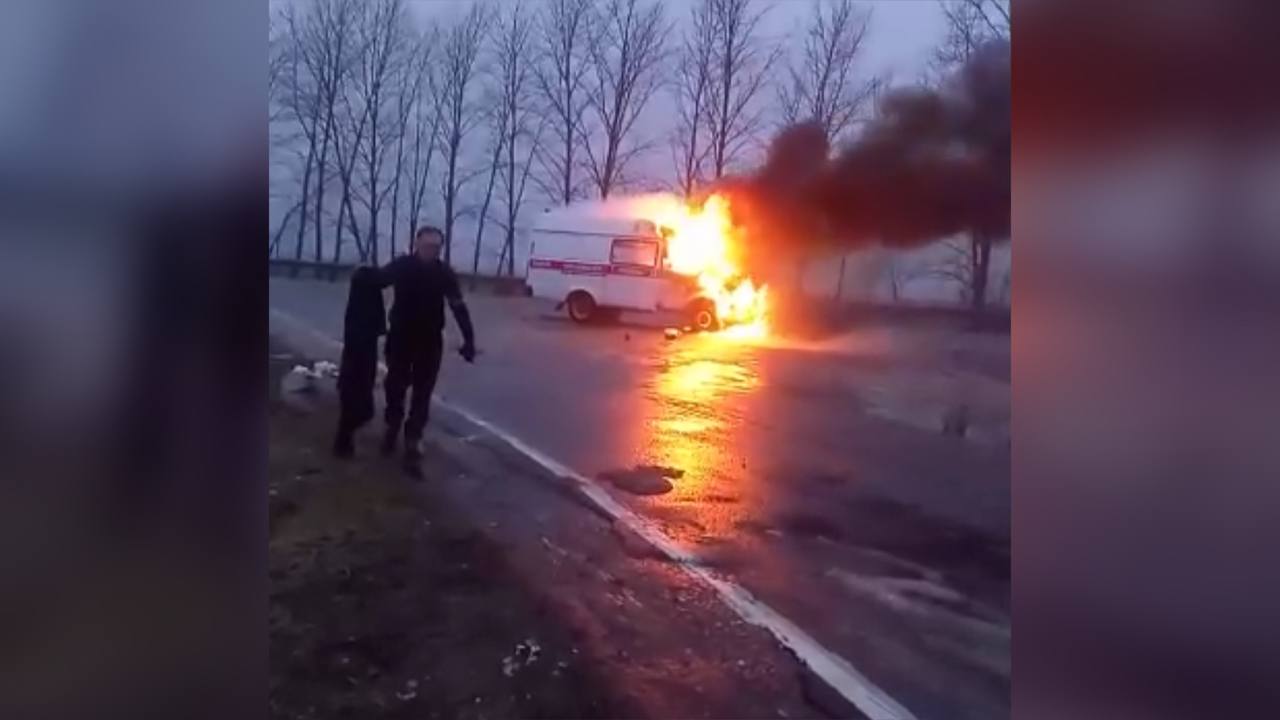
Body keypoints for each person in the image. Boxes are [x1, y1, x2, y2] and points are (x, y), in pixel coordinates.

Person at [374, 226, 476, 478]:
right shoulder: (402, 266)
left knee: (422, 393)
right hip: (400, 337)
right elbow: (376, 282)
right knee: (395, 386)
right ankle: (392, 425)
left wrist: (469, 340)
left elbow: (458, 306)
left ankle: (412, 441)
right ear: (417, 244)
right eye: (428, 246)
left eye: (437, 247)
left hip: (429, 341)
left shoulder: (444, 273)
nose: (432, 251)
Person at [332, 266, 386, 458]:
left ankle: (344, 445)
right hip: (359, 362)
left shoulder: (357, 301)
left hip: (356, 362)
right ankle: (343, 446)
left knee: (353, 405)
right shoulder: (366, 299)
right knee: (359, 407)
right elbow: (376, 327)